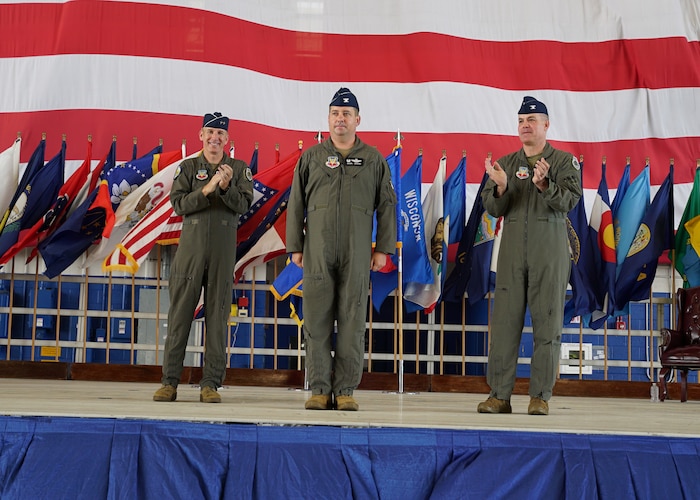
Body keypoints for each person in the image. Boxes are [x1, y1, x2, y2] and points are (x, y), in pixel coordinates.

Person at [286, 88, 397, 411]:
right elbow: (296, 204)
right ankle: (320, 388)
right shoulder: (312, 157)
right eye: (335, 113)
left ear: (357, 120)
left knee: (351, 320)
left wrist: (383, 249)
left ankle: (346, 389)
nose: (340, 119)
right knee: (317, 321)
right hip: (317, 250)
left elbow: (387, 206)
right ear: (328, 118)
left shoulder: (374, 158)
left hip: (358, 251)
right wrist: (296, 246)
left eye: (346, 114)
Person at [477, 96, 582, 415]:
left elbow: (570, 201)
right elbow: (492, 208)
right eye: (522, 120)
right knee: (505, 325)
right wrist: (499, 188)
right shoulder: (506, 163)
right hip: (511, 254)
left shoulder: (564, 162)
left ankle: (540, 396)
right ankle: (499, 395)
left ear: (546, 125)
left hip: (548, 253)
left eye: (532, 120)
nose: (526, 125)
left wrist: (544, 185)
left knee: (547, 326)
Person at [153, 112, 253, 403]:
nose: (214, 138)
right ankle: (169, 382)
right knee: (180, 316)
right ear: (201, 135)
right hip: (191, 252)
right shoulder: (188, 167)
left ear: (227, 139)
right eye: (210, 132)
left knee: (218, 318)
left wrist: (225, 187)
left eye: (220, 134)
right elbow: (179, 205)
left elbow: (244, 205)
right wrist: (207, 189)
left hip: (222, 252)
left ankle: (210, 384)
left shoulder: (238, 168)